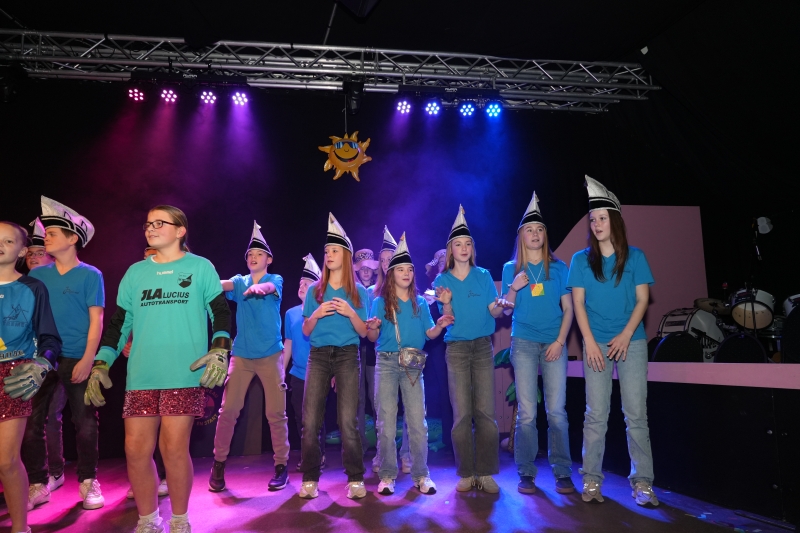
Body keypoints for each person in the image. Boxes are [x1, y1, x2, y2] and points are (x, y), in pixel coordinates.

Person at [85, 205, 232, 533]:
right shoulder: (135, 273)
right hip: (141, 376)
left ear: (180, 231)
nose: (150, 228)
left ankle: (180, 519)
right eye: (148, 223)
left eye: (159, 223)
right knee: (135, 450)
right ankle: (148, 519)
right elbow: (119, 324)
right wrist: (101, 363)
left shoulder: (200, 267)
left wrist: (220, 349)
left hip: (184, 374)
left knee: (173, 449)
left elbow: (220, 312)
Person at [566, 176, 658, 507]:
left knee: (636, 414)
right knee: (595, 414)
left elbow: (643, 300)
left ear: (614, 220)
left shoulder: (635, 257)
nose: (596, 224)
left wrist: (626, 335)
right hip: (596, 345)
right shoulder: (580, 260)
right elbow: (578, 304)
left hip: (631, 343)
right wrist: (589, 343)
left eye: (602, 218)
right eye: (593, 219)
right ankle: (591, 479)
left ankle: (643, 482)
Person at [24, 197, 106, 511]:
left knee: (84, 421)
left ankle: (88, 480)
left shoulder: (90, 274)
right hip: (43, 357)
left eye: (53, 233)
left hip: (76, 356)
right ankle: (39, 483)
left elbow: (97, 319)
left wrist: (88, 359)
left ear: (73, 239)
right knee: (33, 421)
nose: (47, 237)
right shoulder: (38, 276)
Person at [433, 205, 511, 493]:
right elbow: (447, 318)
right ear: (450, 250)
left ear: (472, 249)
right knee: (462, 414)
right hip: (456, 349)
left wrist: (502, 306)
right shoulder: (442, 280)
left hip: (482, 348)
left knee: (486, 412)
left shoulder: (484, 275)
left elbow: (494, 312)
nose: (464, 248)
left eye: (468, 244)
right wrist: (447, 303)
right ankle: (466, 472)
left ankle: (486, 472)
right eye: (458, 244)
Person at [367, 233, 452, 496]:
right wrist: (373, 328)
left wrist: (439, 326)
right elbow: (372, 338)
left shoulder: (420, 303)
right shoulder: (380, 302)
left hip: (413, 362)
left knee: (418, 421)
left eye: (409, 269)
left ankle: (421, 474)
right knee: (386, 422)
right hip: (386, 362)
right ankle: (387, 475)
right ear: (391, 274)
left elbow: (429, 334)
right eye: (400, 269)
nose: (405, 273)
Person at [501, 192, 575, 494]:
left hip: (554, 343)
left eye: (539, 230)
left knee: (557, 411)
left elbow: (569, 309)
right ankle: (526, 472)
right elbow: (506, 310)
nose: (535, 234)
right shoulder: (511, 268)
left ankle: (562, 471)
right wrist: (514, 288)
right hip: (524, 343)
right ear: (521, 236)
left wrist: (559, 341)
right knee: (528, 412)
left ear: (545, 235)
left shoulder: (559, 268)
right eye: (529, 230)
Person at [209, 221, 290, 492]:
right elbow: (221, 285)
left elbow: (269, 289)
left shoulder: (275, 280)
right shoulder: (240, 281)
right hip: (242, 356)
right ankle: (218, 463)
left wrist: (260, 288)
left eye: (259, 254)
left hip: (270, 355)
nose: (253, 257)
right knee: (228, 410)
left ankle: (281, 466)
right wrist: (201, 278)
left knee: (275, 413)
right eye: (250, 255)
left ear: (269, 259)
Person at [298, 213, 369, 500]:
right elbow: (305, 329)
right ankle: (310, 478)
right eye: (327, 251)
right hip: (318, 355)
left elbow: (363, 332)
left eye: (334, 251)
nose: (328, 255)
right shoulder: (315, 291)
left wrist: (350, 312)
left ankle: (355, 478)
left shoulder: (359, 292)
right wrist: (316, 314)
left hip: (348, 355)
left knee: (348, 421)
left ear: (346, 256)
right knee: (310, 421)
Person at [0, 220, 62, 533]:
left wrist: (41, 364)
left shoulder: (33, 288)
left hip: (15, 376)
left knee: (6, 460)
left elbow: (50, 338)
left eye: (7, 241)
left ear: (22, 251)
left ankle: (20, 528)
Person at [24, 218, 68, 495]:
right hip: (29, 359)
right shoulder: (21, 285)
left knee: (52, 416)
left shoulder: (58, 282)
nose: (33, 257)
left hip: (61, 356)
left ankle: (55, 471)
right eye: (30, 253)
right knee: (31, 421)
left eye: (40, 252)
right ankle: (35, 479)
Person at [124, 247, 168, 500]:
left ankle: (165, 476)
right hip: (142, 369)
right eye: (145, 255)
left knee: (169, 437)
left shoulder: (177, 281)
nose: (148, 259)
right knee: (139, 438)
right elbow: (128, 320)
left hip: (172, 367)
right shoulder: (137, 278)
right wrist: (127, 344)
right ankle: (142, 480)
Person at [283, 254, 327, 470]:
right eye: (300, 283)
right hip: (298, 373)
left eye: (307, 283)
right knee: (301, 417)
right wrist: (281, 372)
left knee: (316, 416)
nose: (301, 286)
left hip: (319, 371)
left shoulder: (322, 313)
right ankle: (308, 456)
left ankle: (319, 454)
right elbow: (288, 343)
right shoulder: (291, 314)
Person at [353, 248, 378, 457]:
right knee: (358, 400)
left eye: (369, 267)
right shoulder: (352, 291)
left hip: (375, 350)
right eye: (362, 268)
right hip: (356, 349)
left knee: (377, 398)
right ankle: (359, 445)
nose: (366, 271)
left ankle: (383, 445)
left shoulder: (380, 290)